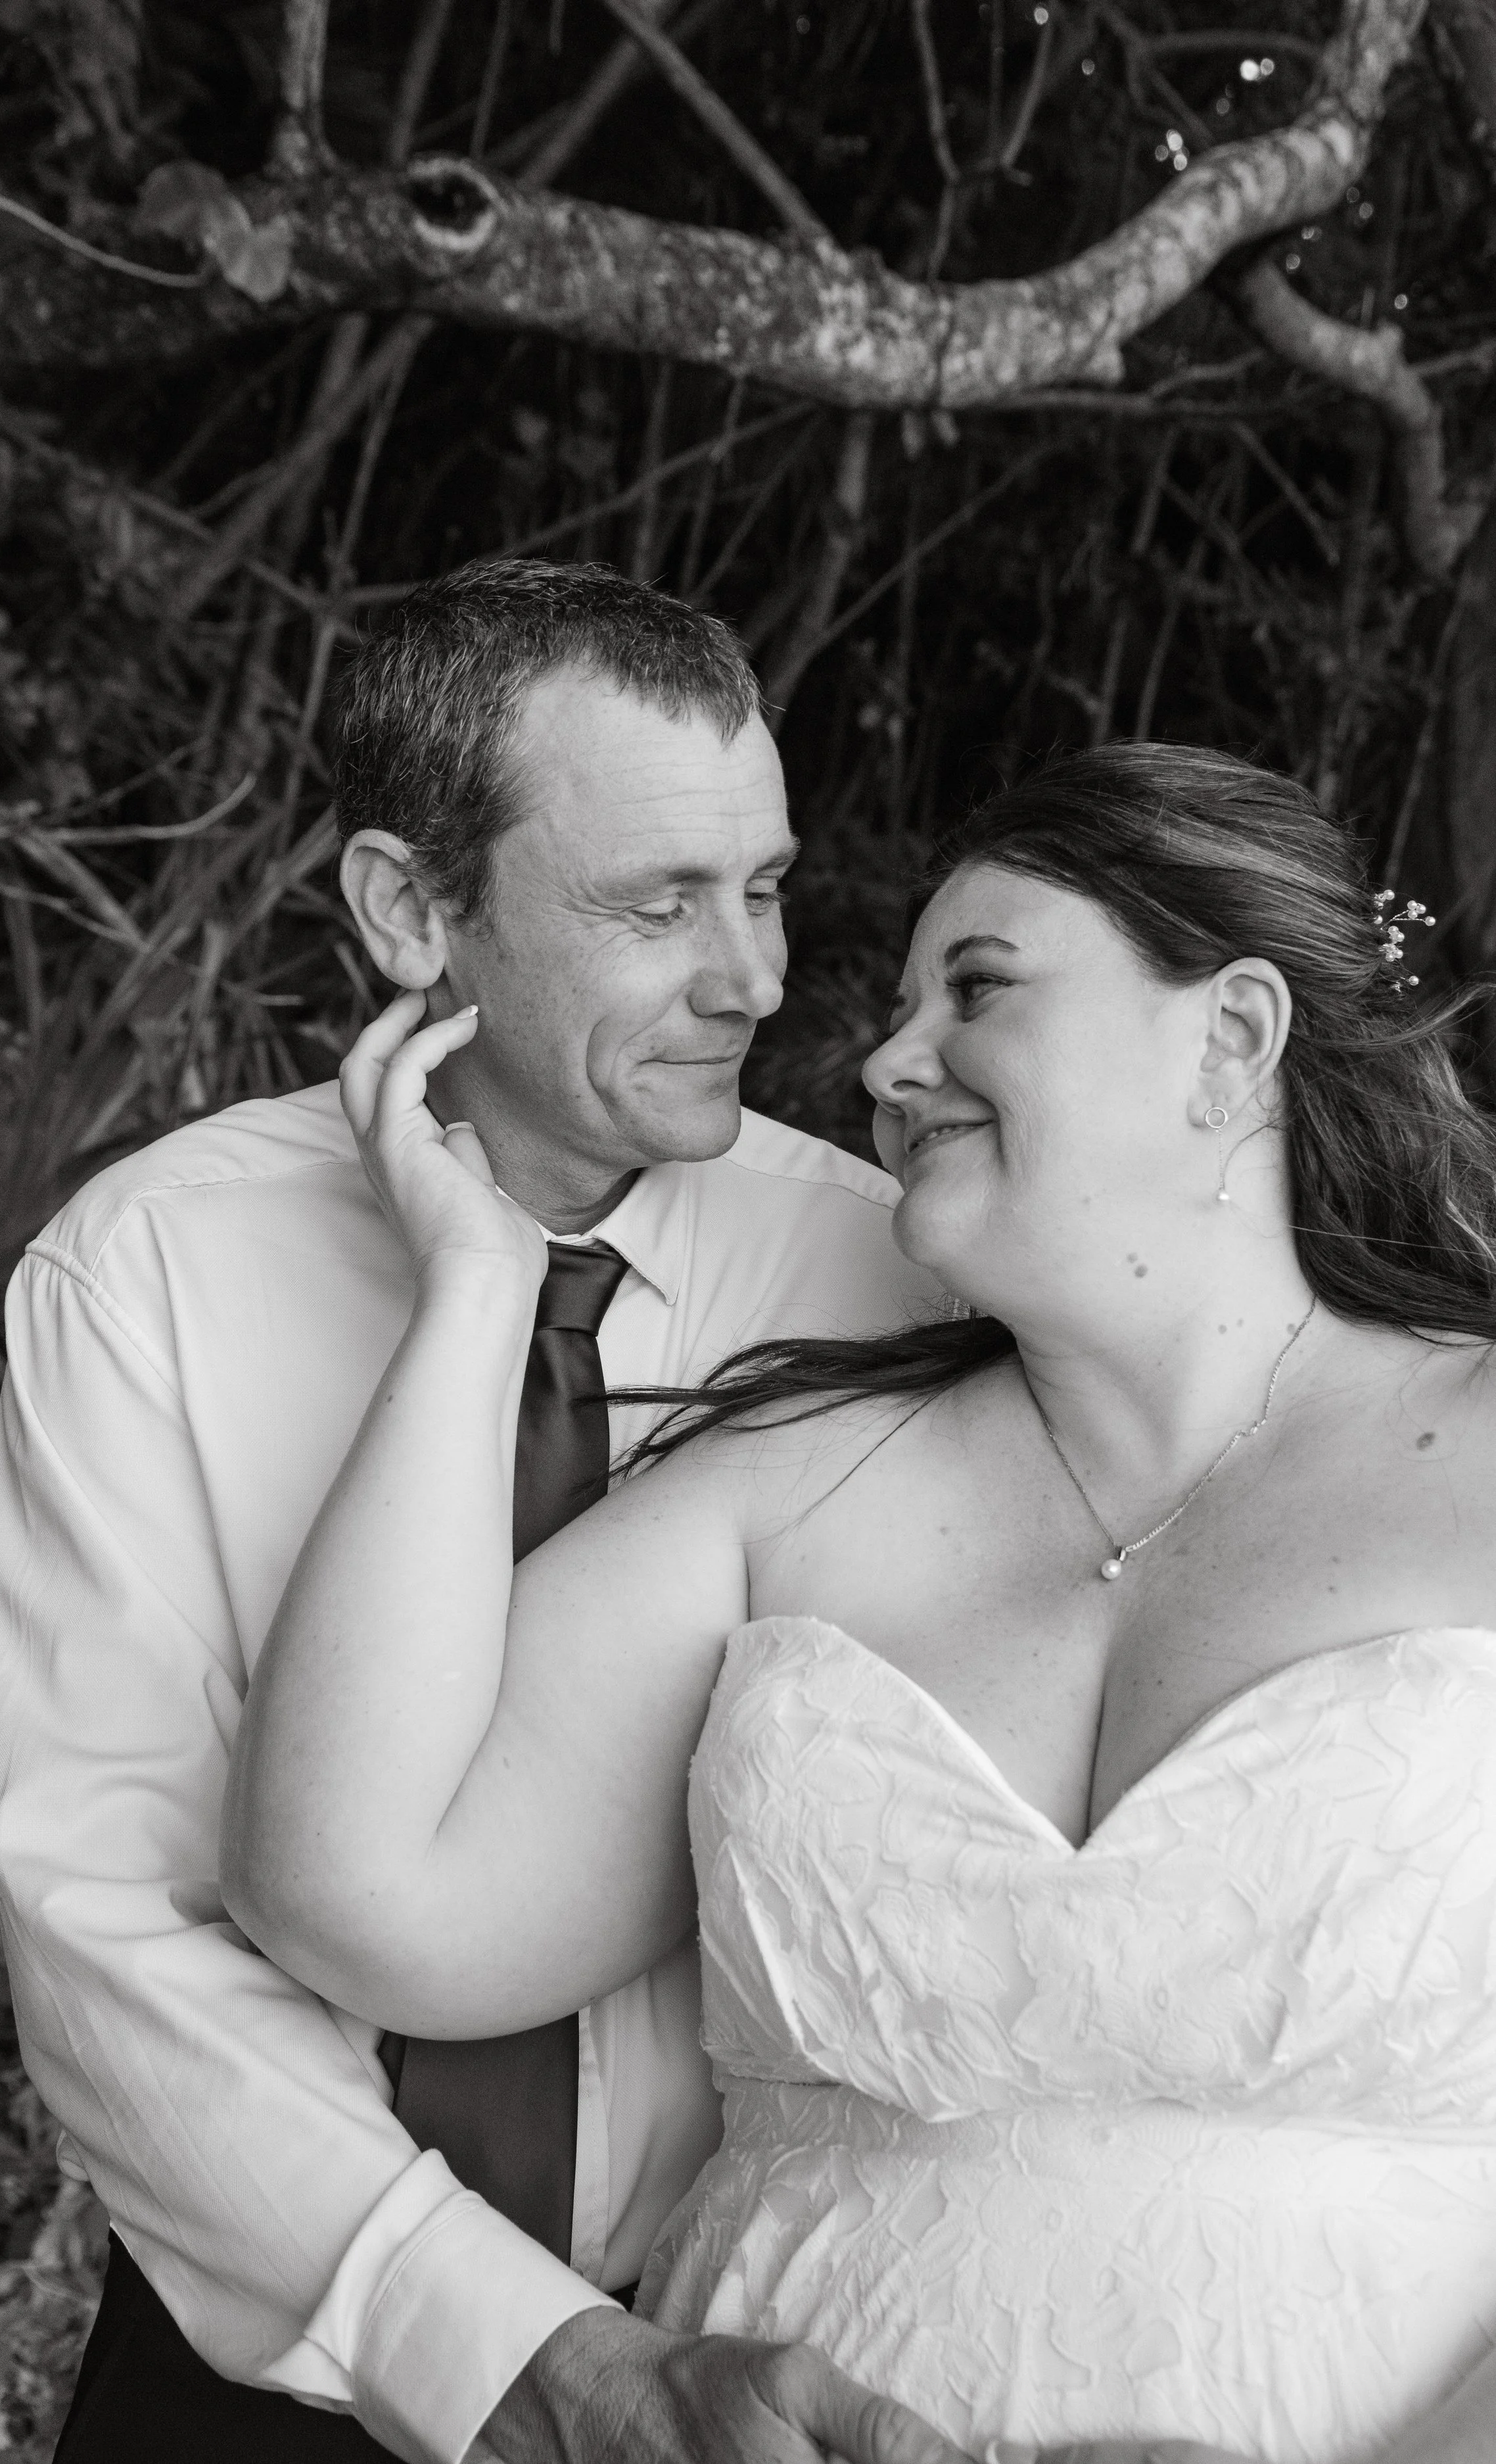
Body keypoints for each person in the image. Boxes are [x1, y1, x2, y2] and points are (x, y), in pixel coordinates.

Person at [225, 743, 1496, 2464]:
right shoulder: (789, 1487)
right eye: (899, 1007)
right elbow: (358, 1895)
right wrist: (474, 1284)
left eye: (976, 987)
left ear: (1232, 1039)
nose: (888, 1065)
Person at [0, 560, 962, 2464]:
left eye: (761, 886)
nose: (753, 977)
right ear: (410, 910)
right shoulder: (150, 1275)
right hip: (278, 2350)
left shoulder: (887, 1284)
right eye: (654, 902)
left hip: (766, 2365)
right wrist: (521, 2353)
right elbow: (106, 1913)